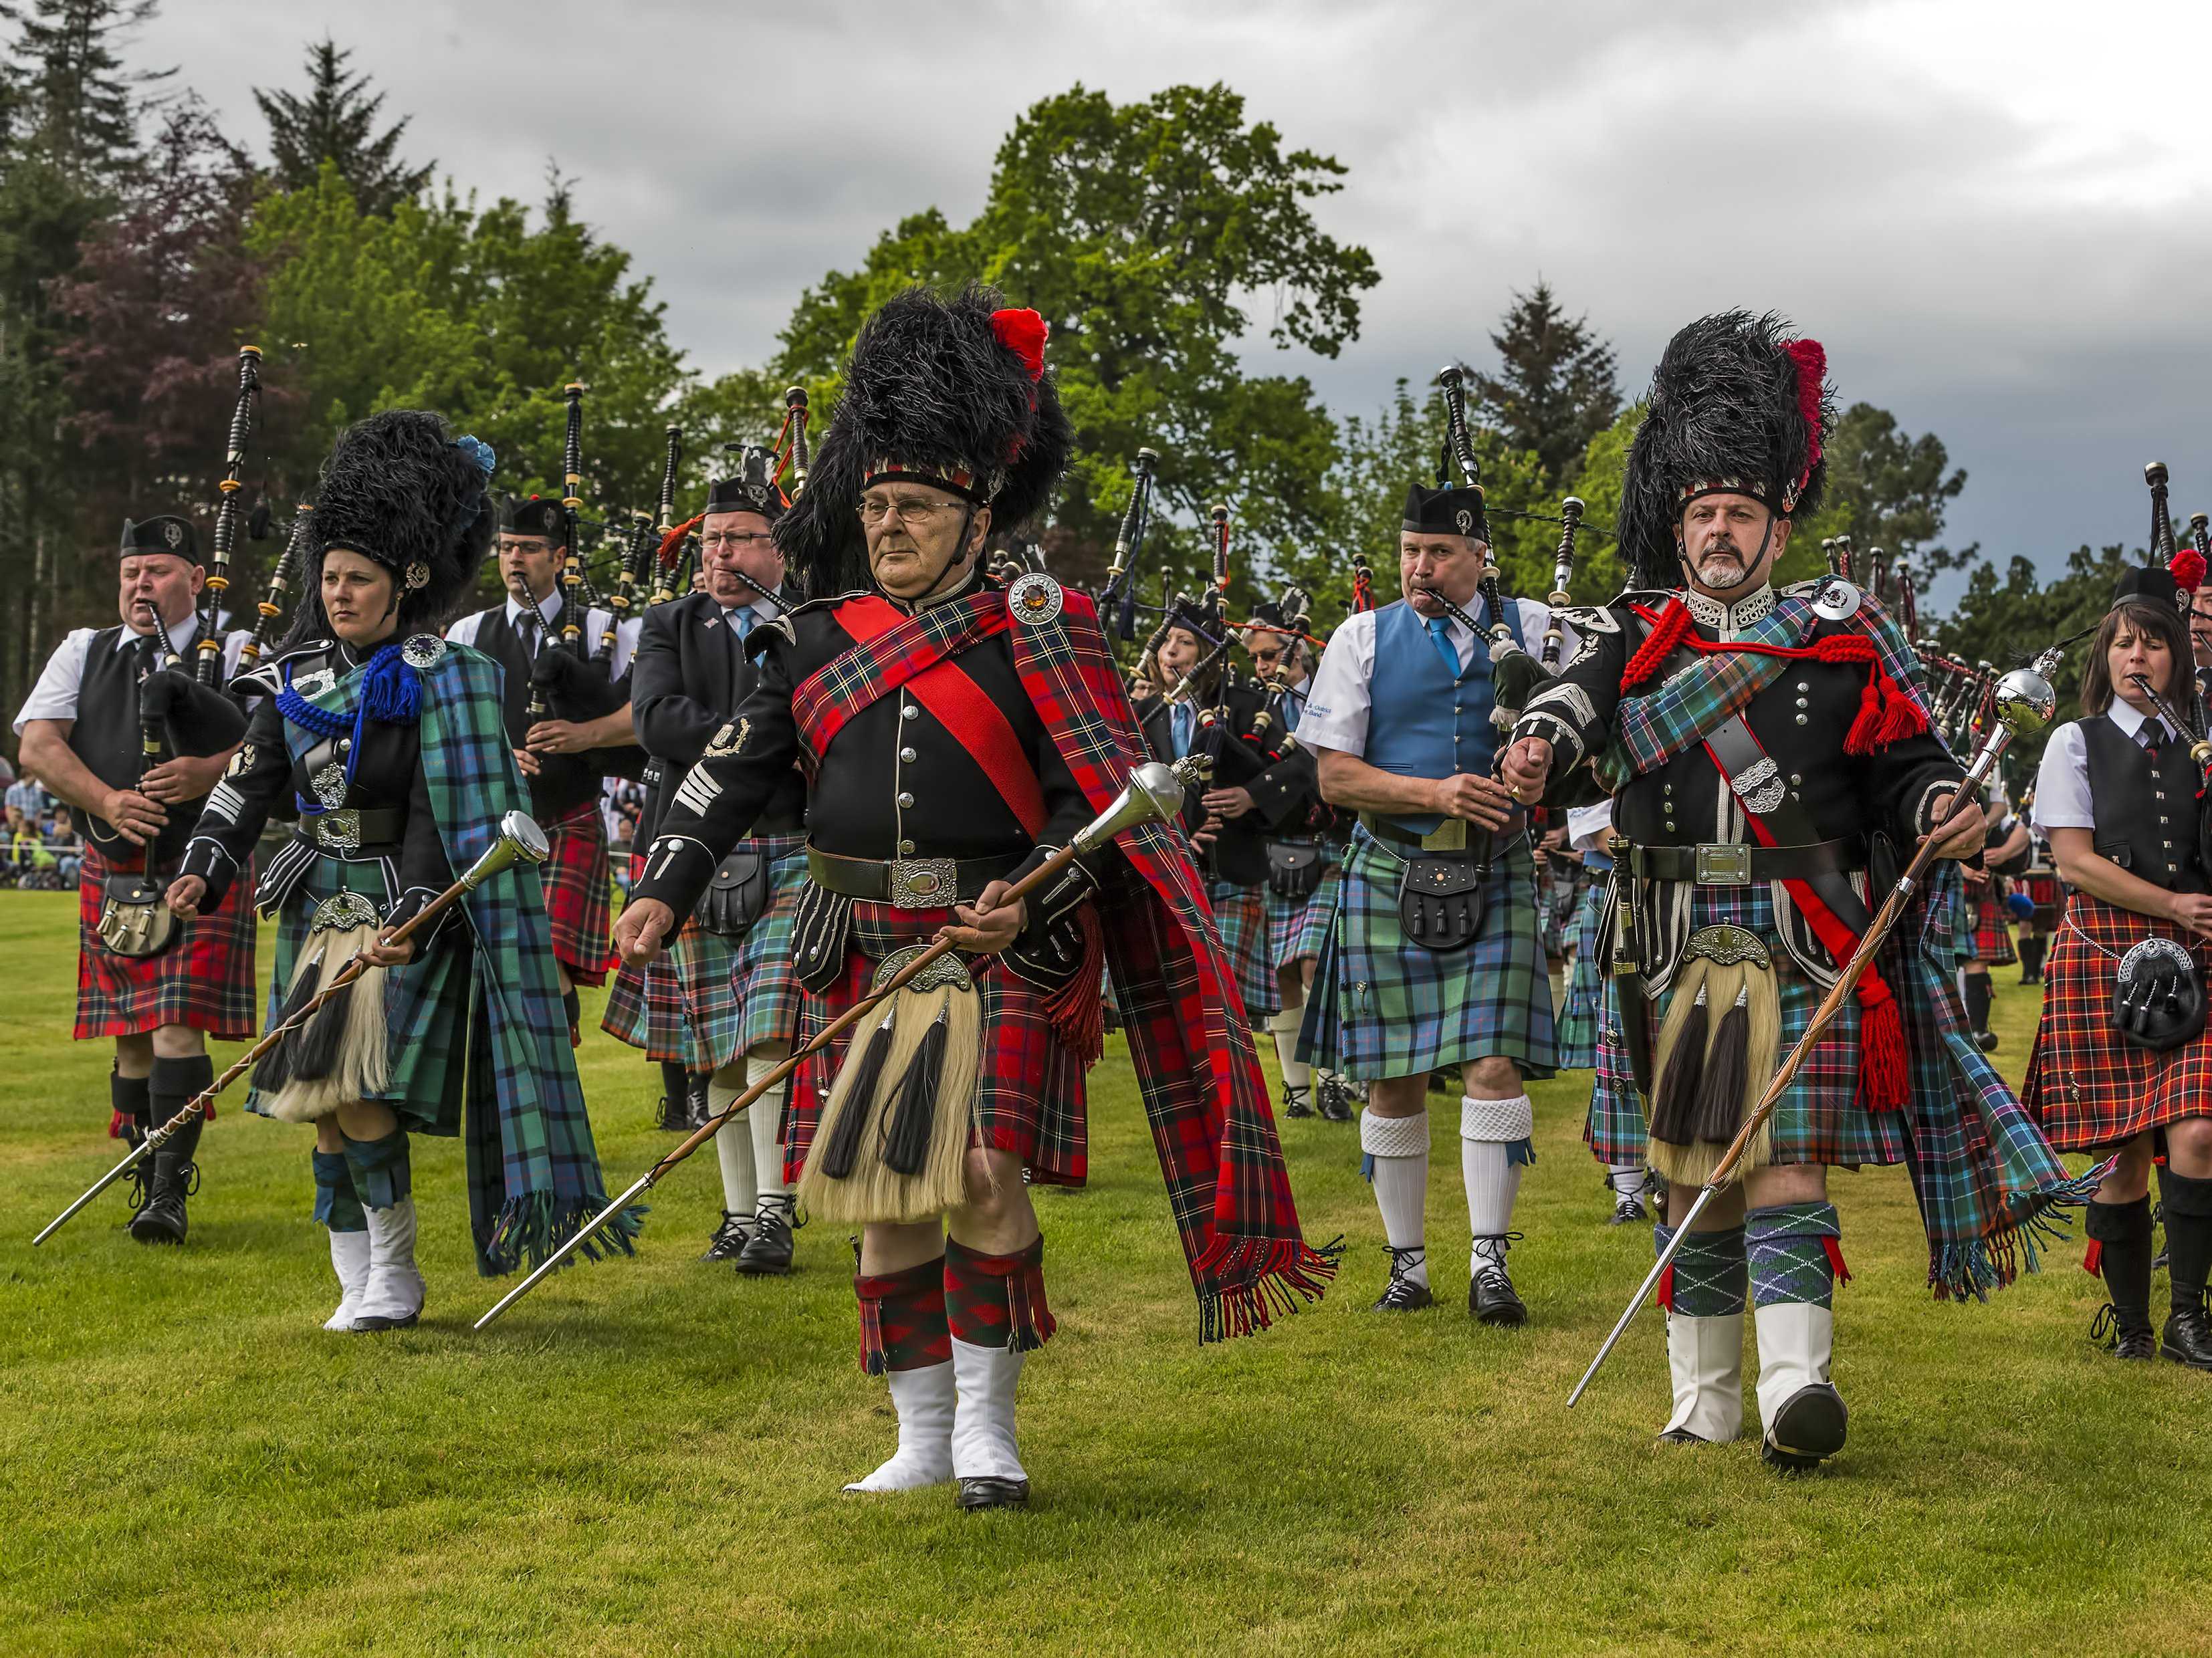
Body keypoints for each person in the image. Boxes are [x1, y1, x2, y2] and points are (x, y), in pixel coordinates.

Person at [616, 284, 1326, 1509]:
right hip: (858, 937)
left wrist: (1029, 900)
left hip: (998, 939)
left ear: (976, 515)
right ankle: (918, 1438)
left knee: (985, 1176)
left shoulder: (1038, 630)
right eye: (875, 505)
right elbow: (731, 769)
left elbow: (1091, 806)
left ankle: (992, 1433)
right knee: (884, 1191)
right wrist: (662, 889)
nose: (886, 526)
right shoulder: (817, 638)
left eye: (914, 508)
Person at [1501, 311, 2094, 1469]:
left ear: (1778, 523)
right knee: (1688, 1178)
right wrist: (1533, 740)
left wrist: (1938, 810)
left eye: (1738, 513)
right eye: (1700, 514)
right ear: (1678, 526)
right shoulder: (1635, 635)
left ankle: (1793, 1390)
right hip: (1668, 934)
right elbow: (1571, 705)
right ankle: (1702, 1398)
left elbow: (1907, 759)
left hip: (1802, 937)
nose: (1718, 532)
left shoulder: (1841, 636)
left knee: (1780, 1167)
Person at [167, 410, 639, 1332]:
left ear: (404, 581)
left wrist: (420, 907)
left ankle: (396, 1272)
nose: (339, 594)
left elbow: (439, 806)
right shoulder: (293, 677)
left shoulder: (441, 675)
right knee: (317, 1103)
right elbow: (249, 783)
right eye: (331, 577)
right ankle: (357, 1279)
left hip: (395, 906)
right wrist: (205, 862)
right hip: (315, 897)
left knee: (360, 1091)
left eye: (359, 579)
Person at [1296, 480, 1565, 1324]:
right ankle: (1406, 1266)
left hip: (1494, 867)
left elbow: (1578, 738)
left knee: (1492, 1063)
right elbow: (1333, 774)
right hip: (1388, 863)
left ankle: (1490, 1261)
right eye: (1410, 550)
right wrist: (1435, 793)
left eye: (1439, 552)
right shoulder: (1361, 636)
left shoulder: (1532, 629)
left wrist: (1541, 760)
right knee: (1391, 1074)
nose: (1419, 567)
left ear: (1478, 555)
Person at [13, 515, 257, 1244]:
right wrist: (108, 800)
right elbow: (37, 744)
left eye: (156, 571)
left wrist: (206, 772)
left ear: (195, 579)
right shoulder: (84, 651)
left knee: (178, 1024)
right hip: (114, 863)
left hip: (201, 865)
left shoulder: (239, 649)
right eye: (131, 573)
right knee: (131, 1039)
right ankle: (147, 1171)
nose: (141, 584)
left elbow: (277, 744)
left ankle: (168, 1193)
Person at [627, 447, 812, 1274]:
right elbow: (656, 721)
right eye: (709, 542)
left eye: (739, 538)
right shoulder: (670, 622)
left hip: (794, 843)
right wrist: (759, 741)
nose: (720, 555)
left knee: (772, 1029)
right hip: (696, 845)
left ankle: (776, 1209)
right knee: (715, 1046)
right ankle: (739, 1214)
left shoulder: (808, 619)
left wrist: (739, 738)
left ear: (778, 547)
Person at [2023, 568, 2212, 1371]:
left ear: (2177, 657)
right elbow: (2072, 862)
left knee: (2198, 1130)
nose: (2138, 655)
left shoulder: (2203, 746)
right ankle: (2131, 1320)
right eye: (2124, 642)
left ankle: (2187, 1317)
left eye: (2155, 642)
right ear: (2105, 656)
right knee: (2124, 1150)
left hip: (2193, 960)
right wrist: (2169, 907)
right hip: (2105, 952)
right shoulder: (2074, 742)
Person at [446, 493, 641, 1042]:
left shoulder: (610, 627)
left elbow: (644, 715)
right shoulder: (468, 634)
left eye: (529, 549)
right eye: (507, 548)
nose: (514, 559)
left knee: (546, 960)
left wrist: (586, 735)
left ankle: (550, 1073)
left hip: (570, 818)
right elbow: (449, 729)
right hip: (492, 827)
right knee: (503, 966)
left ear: (559, 559)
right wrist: (495, 753)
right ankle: (532, 1078)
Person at [1133, 593, 1286, 1041]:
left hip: (1232, 870)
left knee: (1221, 998)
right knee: (1174, 999)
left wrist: (1250, 795)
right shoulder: (1143, 715)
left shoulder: (1244, 705)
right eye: (1164, 642)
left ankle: (1234, 1101)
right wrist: (1178, 835)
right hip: (1167, 871)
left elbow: (1296, 769)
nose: (1170, 652)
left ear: (1209, 656)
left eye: (1184, 643)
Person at [1244, 595, 1357, 1122]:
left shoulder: (1335, 695)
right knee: (1285, 971)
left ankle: (1335, 1078)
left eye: (1271, 656)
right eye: (1257, 659)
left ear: (1297, 652)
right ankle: (1298, 1091)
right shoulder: (1251, 709)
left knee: (1319, 965)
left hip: (1330, 848)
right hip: (1275, 852)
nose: (1264, 668)